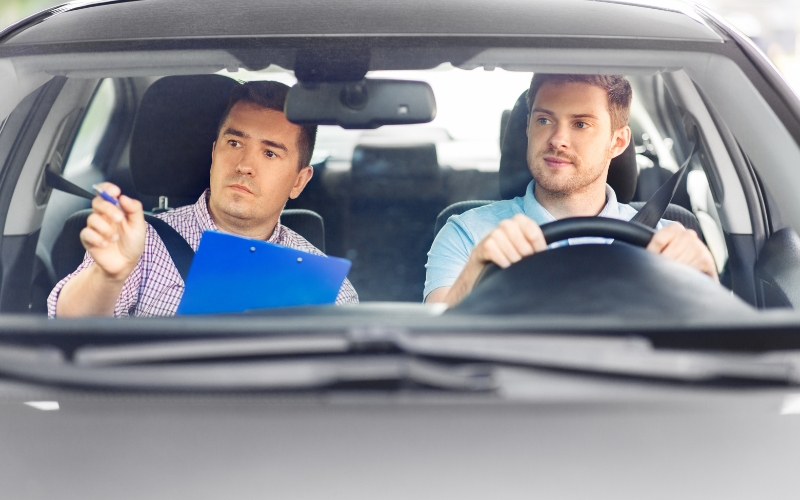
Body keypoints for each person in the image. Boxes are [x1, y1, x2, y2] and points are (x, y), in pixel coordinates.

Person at [49, 80, 358, 317]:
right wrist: (107, 277)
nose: (244, 166)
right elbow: (70, 325)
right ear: (214, 153)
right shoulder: (141, 242)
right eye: (234, 142)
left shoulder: (328, 288)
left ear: (299, 180)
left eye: (269, 153)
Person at [424, 74, 717, 307]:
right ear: (527, 128)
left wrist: (708, 283)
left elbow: (710, 352)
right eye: (544, 120)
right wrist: (477, 273)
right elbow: (432, 341)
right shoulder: (469, 234)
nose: (557, 139)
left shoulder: (666, 244)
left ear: (617, 142)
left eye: (580, 124)